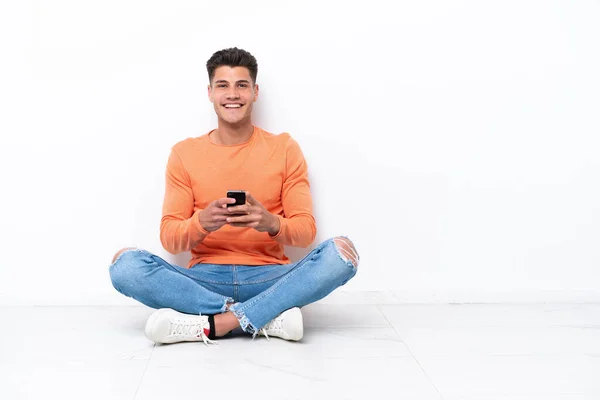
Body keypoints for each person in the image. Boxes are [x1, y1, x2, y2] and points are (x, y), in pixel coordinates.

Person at [109, 47, 359, 345]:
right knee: (124, 266)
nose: (232, 94)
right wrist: (202, 222)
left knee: (342, 253)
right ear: (210, 93)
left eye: (241, 85)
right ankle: (264, 317)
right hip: (204, 280)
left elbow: (305, 233)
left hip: (269, 278)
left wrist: (270, 223)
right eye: (222, 86)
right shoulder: (184, 153)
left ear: (255, 92)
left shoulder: (284, 148)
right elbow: (170, 238)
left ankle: (218, 323)